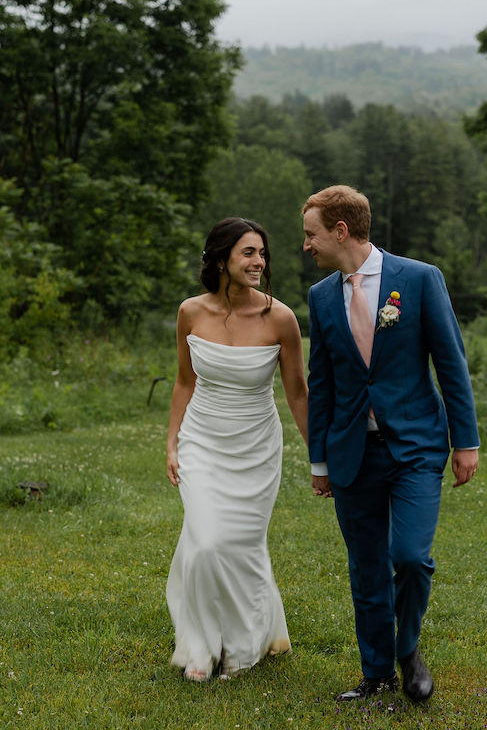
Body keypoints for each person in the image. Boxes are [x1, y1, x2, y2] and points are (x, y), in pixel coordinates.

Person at [302, 185, 480, 703]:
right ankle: (376, 674)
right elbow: (325, 384)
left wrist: (465, 441)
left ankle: (407, 651)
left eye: (311, 235)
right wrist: (319, 460)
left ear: (341, 230)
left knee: (410, 557)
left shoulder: (420, 280)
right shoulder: (319, 297)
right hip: (352, 451)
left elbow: (451, 363)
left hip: (418, 446)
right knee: (366, 567)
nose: (306, 246)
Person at [165, 217, 309, 682]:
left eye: (262, 254)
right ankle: (203, 648)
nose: (258, 261)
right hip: (202, 441)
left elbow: (298, 394)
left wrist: (320, 458)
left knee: (242, 545)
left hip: (256, 448)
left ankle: (245, 644)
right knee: (205, 543)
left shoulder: (281, 318)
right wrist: (172, 441)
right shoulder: (191, 312)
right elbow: (185, 380)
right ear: (222, 257)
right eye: (248, 252)